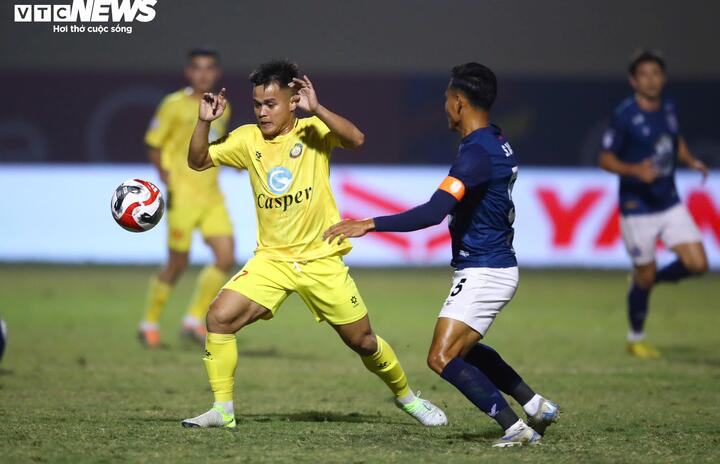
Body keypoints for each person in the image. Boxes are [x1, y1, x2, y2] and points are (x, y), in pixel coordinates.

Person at [181, 59, 446, 429]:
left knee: (364, 342)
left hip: (321, 258)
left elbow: (357, 139)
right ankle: (222, 410)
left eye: (271, 104)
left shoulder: (313, 132)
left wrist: (319, 108)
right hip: (271, 260)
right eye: (257, 104)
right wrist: (205, 121)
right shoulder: (246, 139)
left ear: (293, 102)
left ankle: (408, 398)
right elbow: (197, 160)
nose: (262, 112)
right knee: (218, 318)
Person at [324, 63, 559, 447]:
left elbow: (434, 212)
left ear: (460, 102)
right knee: (467, 350)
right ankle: (535, 405)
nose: (444, 107)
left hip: (485, 270)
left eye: (447, 100)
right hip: (494, 264)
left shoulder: (476, 154)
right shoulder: (496, 139)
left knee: (442, 358)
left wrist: (368, 224)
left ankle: (516, 429)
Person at [599, 50, 709, 359]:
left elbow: (674, 140)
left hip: (669, 202)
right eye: (644, 74)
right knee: (645, 274)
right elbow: (605, 158)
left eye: (656, 73)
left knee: (698, 264)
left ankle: (647, 280)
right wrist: (635, 170)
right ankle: (636, 338)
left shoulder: (669, 108)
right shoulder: (625, 115)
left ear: (663, 77)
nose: (651, 79)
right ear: (634, 80)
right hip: (637, 209)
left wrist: (690, 160)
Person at [139, 48, 236, 348]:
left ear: (216, 73)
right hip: (182, 195)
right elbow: (153, 143)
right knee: (178, 263)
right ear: (188, 72)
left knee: (226, 257)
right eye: (197, 68)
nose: (203, 74)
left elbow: (215, 145)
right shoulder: (173, 105)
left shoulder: (223, 106)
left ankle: (194, 320)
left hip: (212, 196)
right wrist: (165, 175)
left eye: (209, 68)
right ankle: (149, 322)